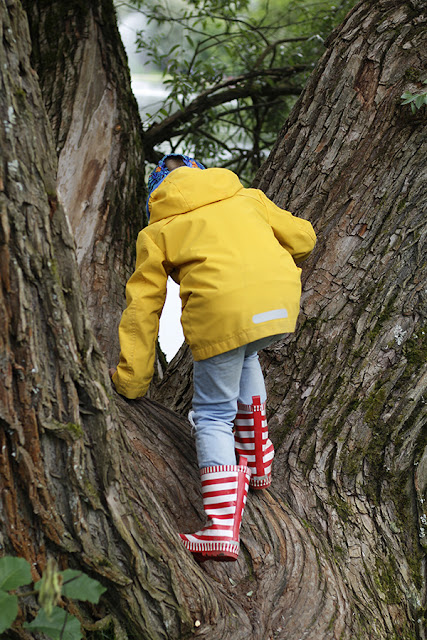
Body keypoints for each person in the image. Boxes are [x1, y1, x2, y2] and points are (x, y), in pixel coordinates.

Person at [110, 154, 316, 562]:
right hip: (278, 308)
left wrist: (133, 379)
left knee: (212, 417)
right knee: (246, 354)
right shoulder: (246, 196)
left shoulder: (159, 230)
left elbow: (143, 308)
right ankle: (258, 462)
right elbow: (304, 240)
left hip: (221, 317)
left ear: (155, 195)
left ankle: (221, 528)